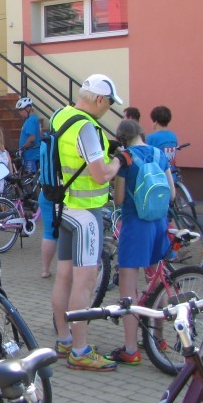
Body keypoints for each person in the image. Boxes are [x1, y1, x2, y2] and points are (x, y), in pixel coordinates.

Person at [49, 74, 125, 372]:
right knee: (85, 281)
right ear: (99, 99)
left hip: (64, 207)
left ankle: (64, 340)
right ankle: (80, 351)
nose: (108, 109)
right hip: (85, 213)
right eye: (109, 104)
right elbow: (100, 174)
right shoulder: (86, 127)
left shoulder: (61, 115)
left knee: (63, 277)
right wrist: (119, 161)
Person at [109, 119, 174, 365]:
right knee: (157, 282)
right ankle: (158, 339)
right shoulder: (159, 154)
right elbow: (172, 193)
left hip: (135, 225)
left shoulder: (125, 159)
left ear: (121, 138)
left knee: (128, 288)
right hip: (159, 223)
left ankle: (130, 348)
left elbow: (119, 199)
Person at [16, 98, 41, 172]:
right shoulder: (34, 119)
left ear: (28, 109)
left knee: (30, 176)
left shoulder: (31, 120)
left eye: (21, 110)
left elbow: (32, 139)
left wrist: (22, 148)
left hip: (31, 156)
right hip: (33, 155)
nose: (19, 113)